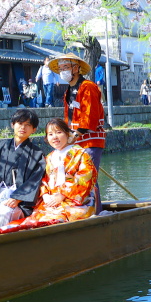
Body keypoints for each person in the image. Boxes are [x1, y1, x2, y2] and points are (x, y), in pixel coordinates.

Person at [49, 52, 105, 206]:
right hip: (75, 141)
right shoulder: (69, 91)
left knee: (89, 178)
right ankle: (78, 208)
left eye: (66, 67)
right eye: (60, 68)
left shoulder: (88, 87)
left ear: (76, 68)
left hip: (90, 140)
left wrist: (75, 135)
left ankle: (95, 211)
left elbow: (90, 116)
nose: (63, 71)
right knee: (75, 177)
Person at [24, 118, 99, 224]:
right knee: (34, 219)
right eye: (50, 134)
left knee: (51, 220)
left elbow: (86, 176)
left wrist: (63, 195)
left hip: (75, 202)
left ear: (68, 134)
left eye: (58, 132)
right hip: (52, 202)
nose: (54, 137)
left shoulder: (80, 153)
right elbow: (43, 180)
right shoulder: (49, 158)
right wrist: (45, 196)